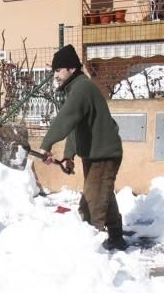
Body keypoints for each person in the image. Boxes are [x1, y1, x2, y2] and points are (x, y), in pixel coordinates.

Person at [39, 44, 127, 250]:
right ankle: (117, 237)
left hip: (103, 155)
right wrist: (69, 155)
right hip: (97, 154)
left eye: (58, 70)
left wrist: (46, 145)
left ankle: (90, 254)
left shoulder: (81, 88)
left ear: (70, 68)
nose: (56, 75)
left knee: (91, 205)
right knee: (102, 195)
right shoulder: (78, 88)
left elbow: (65, 119)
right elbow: (76, 126)